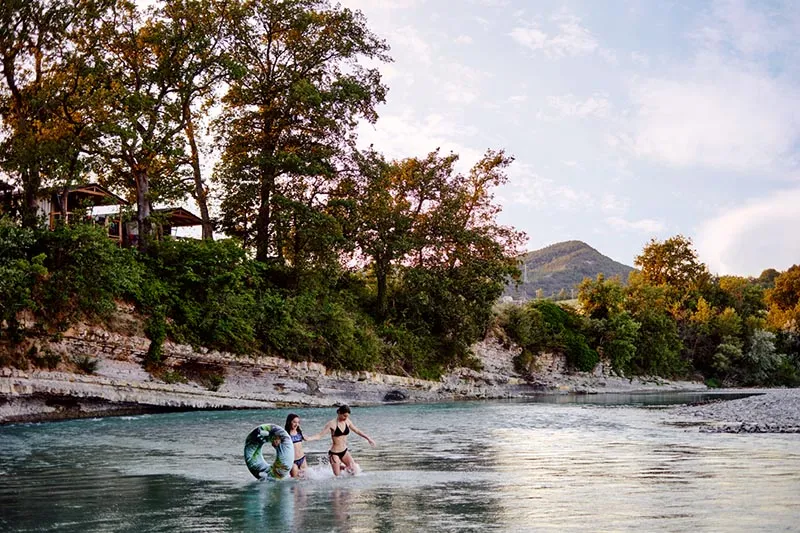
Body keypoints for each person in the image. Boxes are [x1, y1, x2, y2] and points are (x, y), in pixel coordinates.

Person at [308, 405, 375, 476]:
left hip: (344, 451)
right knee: (338, 477)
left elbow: (357, 430)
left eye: (347, 416)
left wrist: (368, 438)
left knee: (354, 471)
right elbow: (319, 435)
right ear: (339, 413)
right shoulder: (332, 424)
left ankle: (340, 467)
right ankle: (336, 466)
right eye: (344, 416)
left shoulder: (347, 421)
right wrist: (308, 438)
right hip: (334, 453)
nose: (346, 418)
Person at [284, 413, 320, 478]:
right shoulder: (285, 434)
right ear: (289, 422)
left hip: (302, 459)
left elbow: (308, 438)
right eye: (294, 422)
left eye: (298, 422)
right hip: (293, 462)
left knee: (306, 479)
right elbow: (278, 446)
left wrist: (319, 436)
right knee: (295, 481)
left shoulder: (299, 432)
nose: (297, 424)